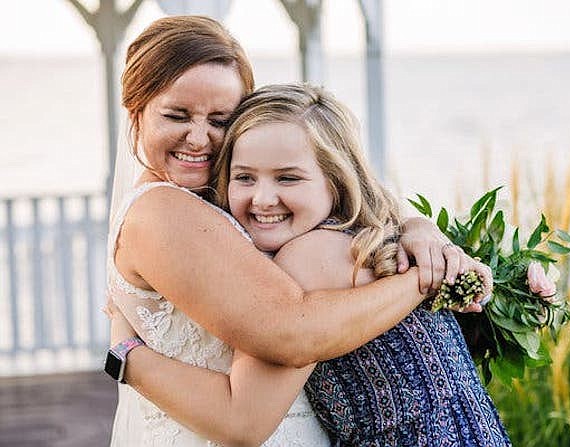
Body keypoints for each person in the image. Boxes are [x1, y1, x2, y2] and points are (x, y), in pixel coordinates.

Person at [105, 15, 492, 446]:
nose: (199, 138)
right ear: (136, 111)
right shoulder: (163, 209)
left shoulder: (218, 199)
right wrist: (423, 280)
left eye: (220, 120)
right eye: (177, 115)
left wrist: (418, 229)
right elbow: (292, 332)